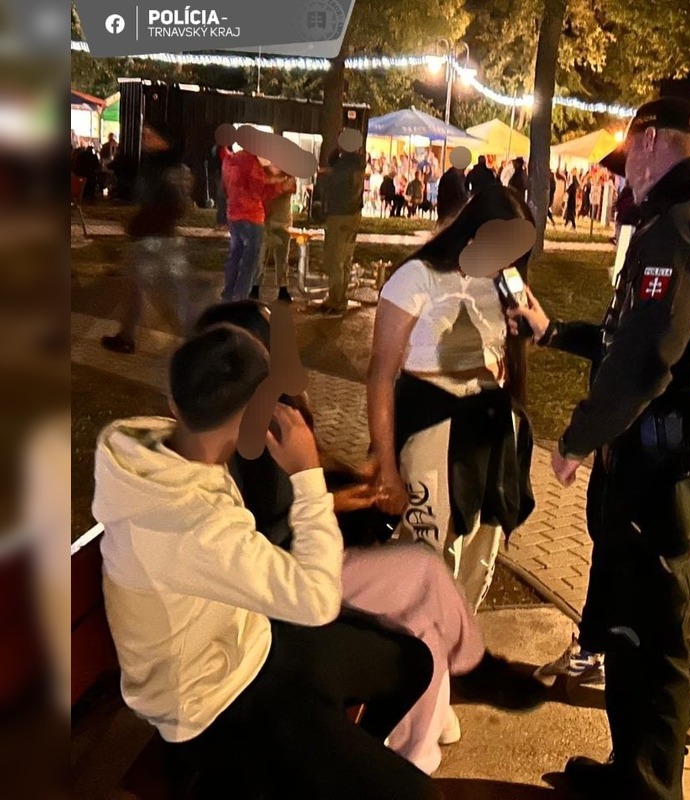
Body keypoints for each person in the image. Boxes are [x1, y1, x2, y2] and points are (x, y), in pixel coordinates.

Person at [509, 97, 690, 800]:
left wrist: (581, 435)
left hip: (659, 461)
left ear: (649, 141)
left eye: (629, 156)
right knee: (649, 618)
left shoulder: (675, 230)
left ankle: (647, 784)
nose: (625, 176)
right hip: (687, 450)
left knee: (649, 627)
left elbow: (648, 358)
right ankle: (635, 771)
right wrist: (554, 331)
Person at [93, 325, 440, 800]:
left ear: (174, 404)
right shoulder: (188, 526)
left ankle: (337, 771)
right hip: (210, 710)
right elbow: (318, 602)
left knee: (413, 663)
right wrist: (306, 475)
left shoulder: (158, 451)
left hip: (249, 645)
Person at [197, 301, 543, 774]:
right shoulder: (233, 435)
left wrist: (348, 484)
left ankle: (419, 744)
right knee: (422, 570)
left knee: (421, 613)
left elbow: (299, 490)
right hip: (290, 582)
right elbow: (261, 536)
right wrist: (331, 500)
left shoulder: (269, 415)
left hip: (313, 557)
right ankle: (472, 672)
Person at [367, 184, 537, 612]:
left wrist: (526, 332)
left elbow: (506, 354)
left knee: (479, 551)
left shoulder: (505, 282)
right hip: (431, 425)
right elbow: (381, 376)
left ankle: (457, 641)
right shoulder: (417, 277)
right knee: (426, 551)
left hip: (491, 428)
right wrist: (385, 465)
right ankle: (416, 648)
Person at [100, 127, 196, 355]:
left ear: (168, 141)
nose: (146, 138)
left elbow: (173, 205)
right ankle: (126, 337)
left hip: (155, 240)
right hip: (156, 238)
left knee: (168, 295)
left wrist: (143, 223)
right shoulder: (163, 166)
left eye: (153, 134)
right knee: (139, 289)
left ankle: (195, 341)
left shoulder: (169, 169)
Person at [312, 132, 366, 316]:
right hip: (353, 214)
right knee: (345, 259)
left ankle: (335, 300)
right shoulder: (357, 163)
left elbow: (329, 181)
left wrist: (324, 175)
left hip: (340, 215)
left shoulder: (344, 167)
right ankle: (339, 297)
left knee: (334, 258)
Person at [221, 141, 279, 301]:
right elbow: (258, 191)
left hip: (233, 215)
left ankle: (227, 295)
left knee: (234, 257)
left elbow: (226, 187)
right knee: (250, 262)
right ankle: (241, 299)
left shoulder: (230, 160)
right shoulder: (252, 162)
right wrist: (279, 186)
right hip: (251, 217)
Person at [254, 166, 297, 303]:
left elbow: (288, 187)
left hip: (282, 222)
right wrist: (277, 182)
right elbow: (260, 187)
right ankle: (255, 288)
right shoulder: (263, 171)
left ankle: (283, 288)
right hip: (264, 221)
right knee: (260, 257)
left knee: (282, 258)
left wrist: (272, 182)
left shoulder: (289, 173)